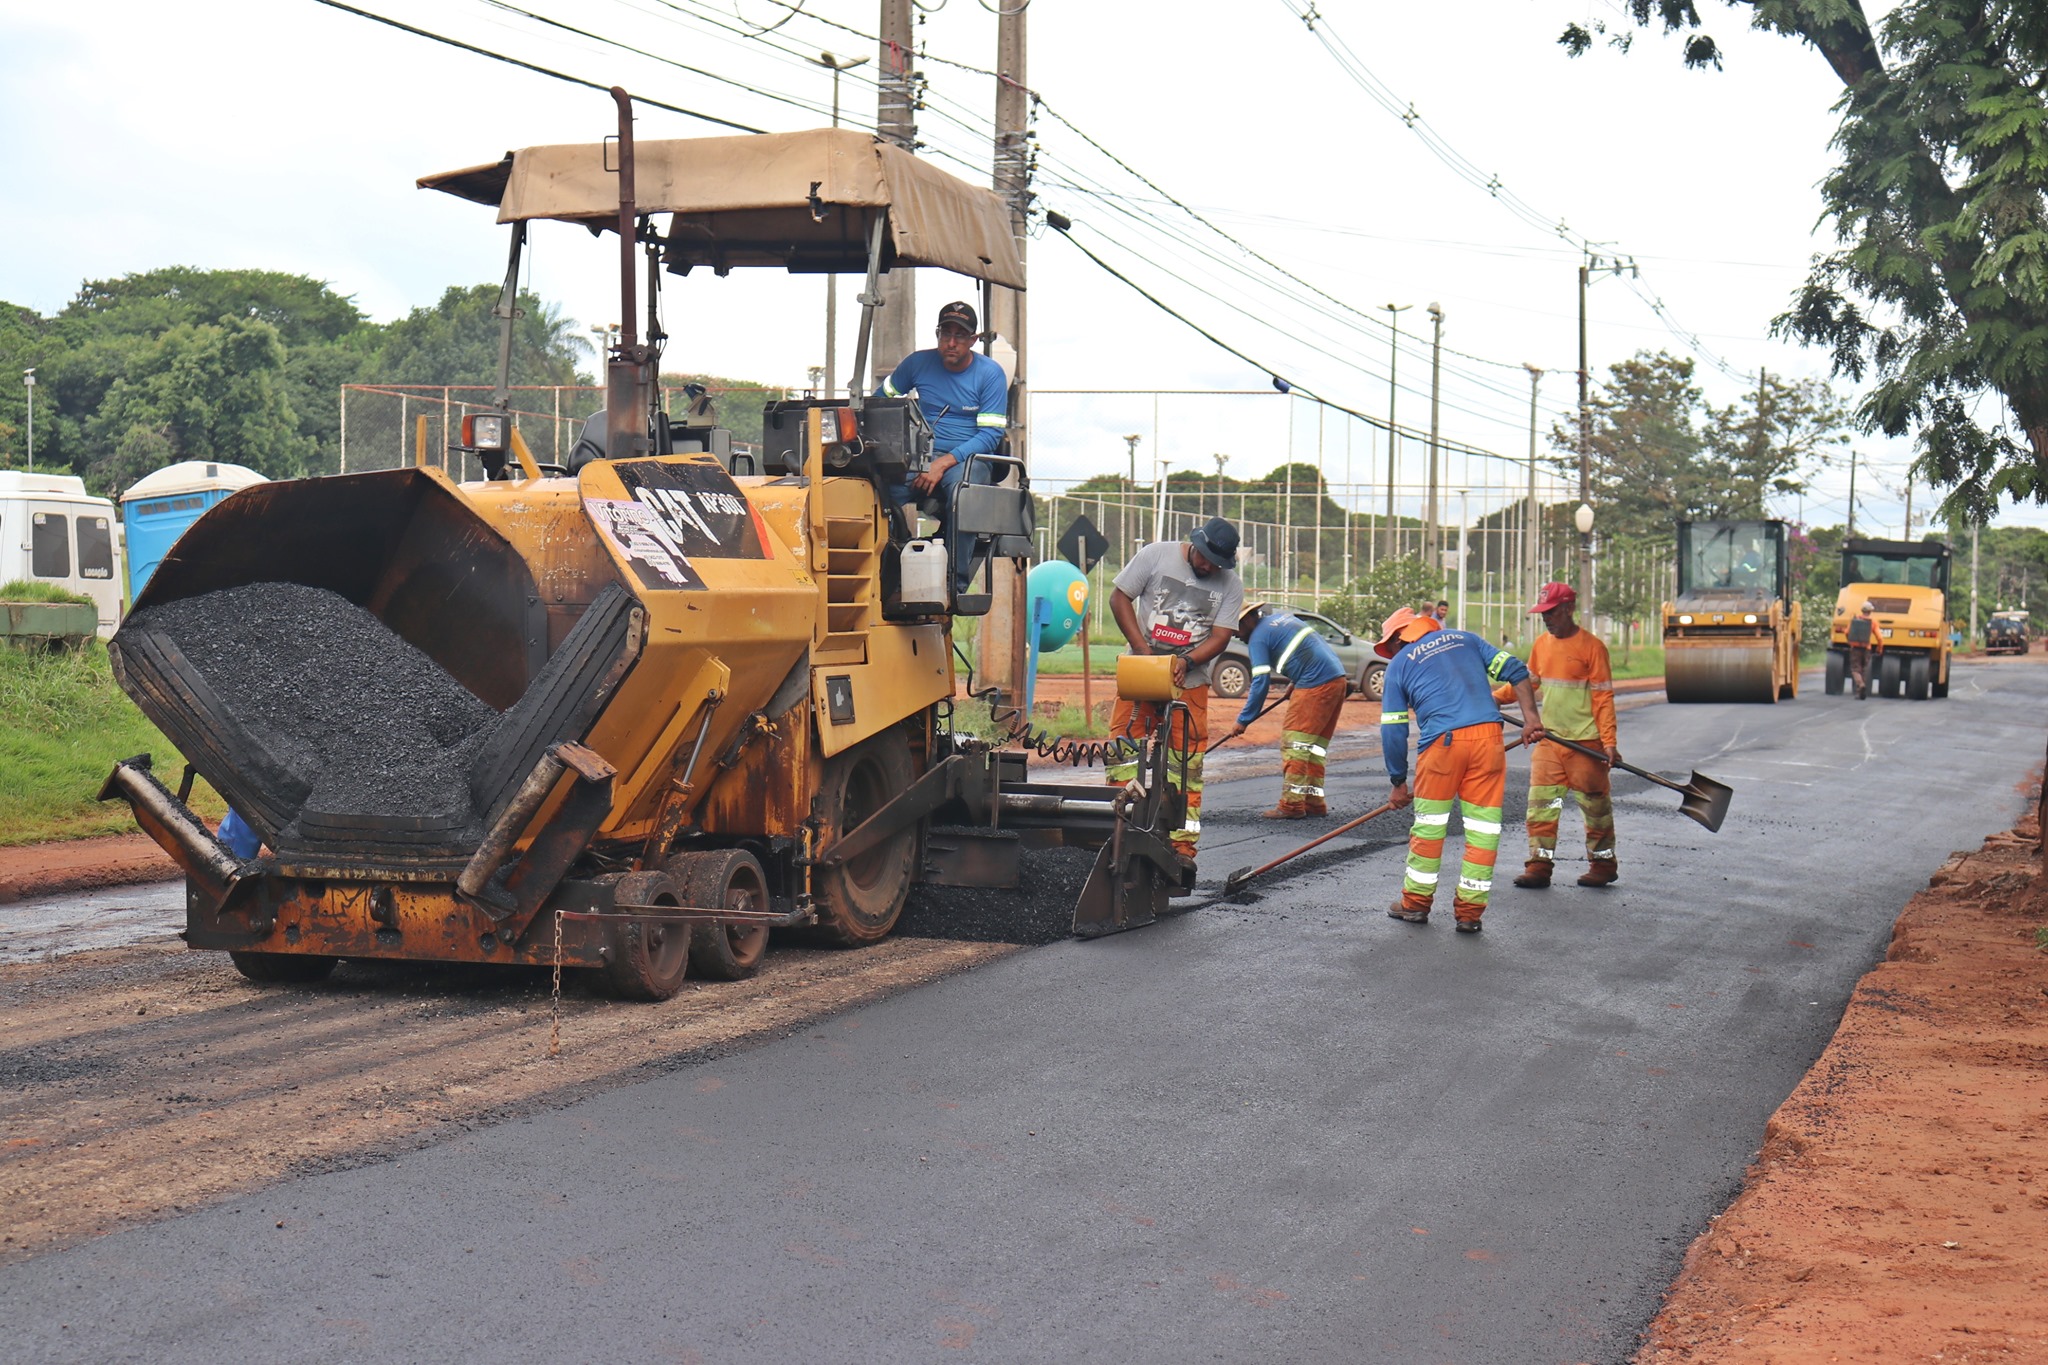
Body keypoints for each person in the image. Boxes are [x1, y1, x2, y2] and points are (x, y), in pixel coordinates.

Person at [1379, 607, 1543, 933]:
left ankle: (1415, 904)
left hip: (1443, 747)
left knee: (1430, 827)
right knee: (1483, 831)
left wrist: (1398, 781)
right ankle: (1470, 913)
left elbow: (1394, 729)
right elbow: (1516, 670)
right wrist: (1532, 720)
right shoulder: (1466, 639)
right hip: (1488, 741)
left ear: (1399, 638)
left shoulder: (1399, 664)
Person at [1106, 517, 1245, 864]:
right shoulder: (1155, 556)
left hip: (1190, 682)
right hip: (1141, 671)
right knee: (1125, 748)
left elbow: (1221, 636)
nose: (1209, 566)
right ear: (1195, 544)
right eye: (1205, 558)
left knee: (1186, 761)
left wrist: (1186, 661)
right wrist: (1142, 650)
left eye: (1217, 563)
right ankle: (1118, 829)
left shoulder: (1231, 584)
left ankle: (1182, 845)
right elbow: (1119, 598)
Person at [877, 300, 1010, 594]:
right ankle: (883, 575)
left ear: (973, 340)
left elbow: (989, 436)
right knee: (874, 489)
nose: (951, 343)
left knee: (964, 494)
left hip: (968, 459)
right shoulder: (916, 364)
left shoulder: (990, 374)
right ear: (937, 334)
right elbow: (880, 402)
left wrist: (942, 463)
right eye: (945, 333)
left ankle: (951, 586)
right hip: (920, 456)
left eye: (960, 336)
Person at [1494, 582, 1621, 890]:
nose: (1547, 619)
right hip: (1549, 741)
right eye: (1543, 614)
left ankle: (1603, 864)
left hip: (1585, 743)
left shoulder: (1592, 648)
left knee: (1595, 808)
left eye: (1551, 613)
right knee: (1541, 806)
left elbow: (1603, 698)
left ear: (1568, 609)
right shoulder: (1542, 644)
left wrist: (1609, 742)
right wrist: (1497, 697)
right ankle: (1539, 865)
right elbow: (1528, 682)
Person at [1219, 601, 1348, 819]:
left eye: (1237, 627)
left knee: (1295, 744)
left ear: (1249, 619)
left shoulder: (1258, 638)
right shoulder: (1282, 619)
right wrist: (1295, 680)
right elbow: (1305, 650)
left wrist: (1243, 720)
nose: (1235, 634)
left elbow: (1260, 682)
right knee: (1314, 747)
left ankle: (1292, 805)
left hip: (1315, 684)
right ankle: (1314, 802)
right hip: (1336, 679)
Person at [1846, 600, 1884, 699]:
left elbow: (1846, 632)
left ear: (1862, 610)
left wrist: (1850, 642)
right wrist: (1879, 649)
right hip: (1867, 649)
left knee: (1855, 669)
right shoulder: (1873, 622)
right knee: (1864, 670)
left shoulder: (1855, 620)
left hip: (1855, 648)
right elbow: (1880, 638)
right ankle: (1860, 693)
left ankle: (1860, 685)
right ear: (1870, 611)